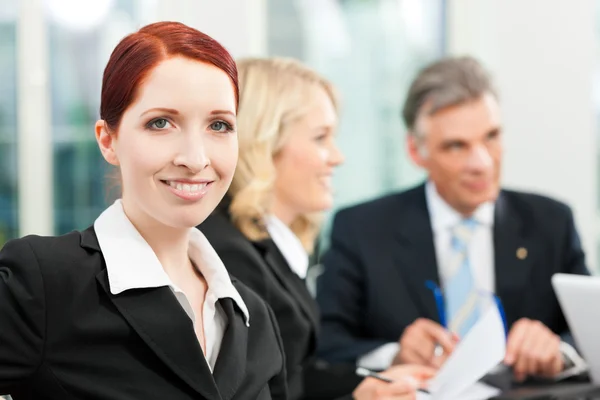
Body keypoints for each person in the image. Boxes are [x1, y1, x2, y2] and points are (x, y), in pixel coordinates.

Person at [0, 22, 288, 399]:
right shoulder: (44, 283)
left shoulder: (253, 316)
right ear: (108, 140)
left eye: (219, 125)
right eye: (161, 123)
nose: (195, 158)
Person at [316, 56, 590, 382]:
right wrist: (394, 356)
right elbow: (325, 348)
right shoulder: (361, 229)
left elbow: (591, 331)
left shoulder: (551, 222)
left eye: (491, 136)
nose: (482, 163)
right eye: (457, 146)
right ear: (417, 151)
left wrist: (559, 351)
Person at [200, 58, 434, 400]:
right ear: (265, 142)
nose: (336, 157)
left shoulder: (267, 241)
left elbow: (293, 374)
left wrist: (366, 384)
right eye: (321, 138)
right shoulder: (229, 254)